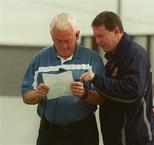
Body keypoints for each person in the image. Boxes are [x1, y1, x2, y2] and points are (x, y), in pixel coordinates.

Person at [71, 11, 154, 145]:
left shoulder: (135, 54)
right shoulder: (113, 58)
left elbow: (132, 91)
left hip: (135, 138)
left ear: (116, 31)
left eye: (101, 36)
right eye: (95, 37)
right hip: (118, 137)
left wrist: (96, 78)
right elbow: (114, 94)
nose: (98, 42)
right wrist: (84, 93)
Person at [21, 12, 105, 145]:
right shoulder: (39, 59)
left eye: (68, 41)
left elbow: (102, 98)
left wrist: (84, 93)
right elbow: (26, 96)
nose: (63, 46)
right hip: (49, 132)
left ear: (77, 35)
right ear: (51, 35)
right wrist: (38, 94)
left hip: (82, 131)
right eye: (58, 41)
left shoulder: (92, 60)